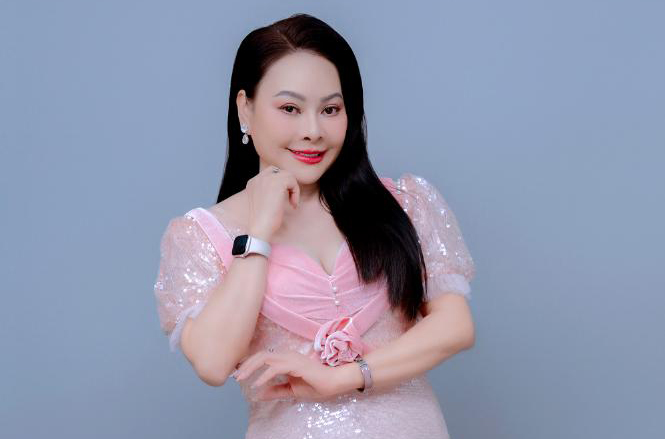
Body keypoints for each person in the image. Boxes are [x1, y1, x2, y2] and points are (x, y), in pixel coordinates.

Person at [153, 13, 476, 439]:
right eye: (290, 108)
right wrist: (260, 230)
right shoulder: (200, 236)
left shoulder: (403, 204)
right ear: (245, 108)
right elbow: (213, 362)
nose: (313, 131)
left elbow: (454, 327)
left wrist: (344, 377)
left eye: (330, 110)